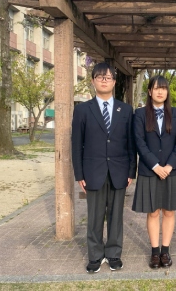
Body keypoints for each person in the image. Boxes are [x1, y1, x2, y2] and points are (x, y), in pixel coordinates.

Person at [71, 62, 137, 273]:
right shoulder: (82, 110)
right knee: (95, 216)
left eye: (108, 77)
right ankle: (95, 256)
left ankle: (114, 254)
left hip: (119, 170)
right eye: (100, 77)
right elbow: (76, 144)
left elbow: (131, 143)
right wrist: (79, 174)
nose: (104, 80)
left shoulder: (125, 109)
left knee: (116, 216)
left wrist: (130, 171)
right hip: (93, 171)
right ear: (92, 81)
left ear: (114, 82)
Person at [132, 75, 176, 269]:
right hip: (150, 171)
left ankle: (166, 250)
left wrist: (169, 166)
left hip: (172, 170)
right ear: (149, 91)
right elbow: (139, 143)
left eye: (163, 88)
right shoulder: (140, 114)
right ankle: (154, 252)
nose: (160, 91)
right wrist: (156, 166)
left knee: (169, 211)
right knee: (152, 212)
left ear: (167, 92)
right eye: (156, 88)